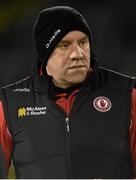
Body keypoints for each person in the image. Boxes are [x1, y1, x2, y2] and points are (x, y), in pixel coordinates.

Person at [0, 6, 136, 179]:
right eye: (64, 45)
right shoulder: (10, 104)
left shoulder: (125, 95)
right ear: (45, 54)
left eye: (83, 43)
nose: (78, 54)